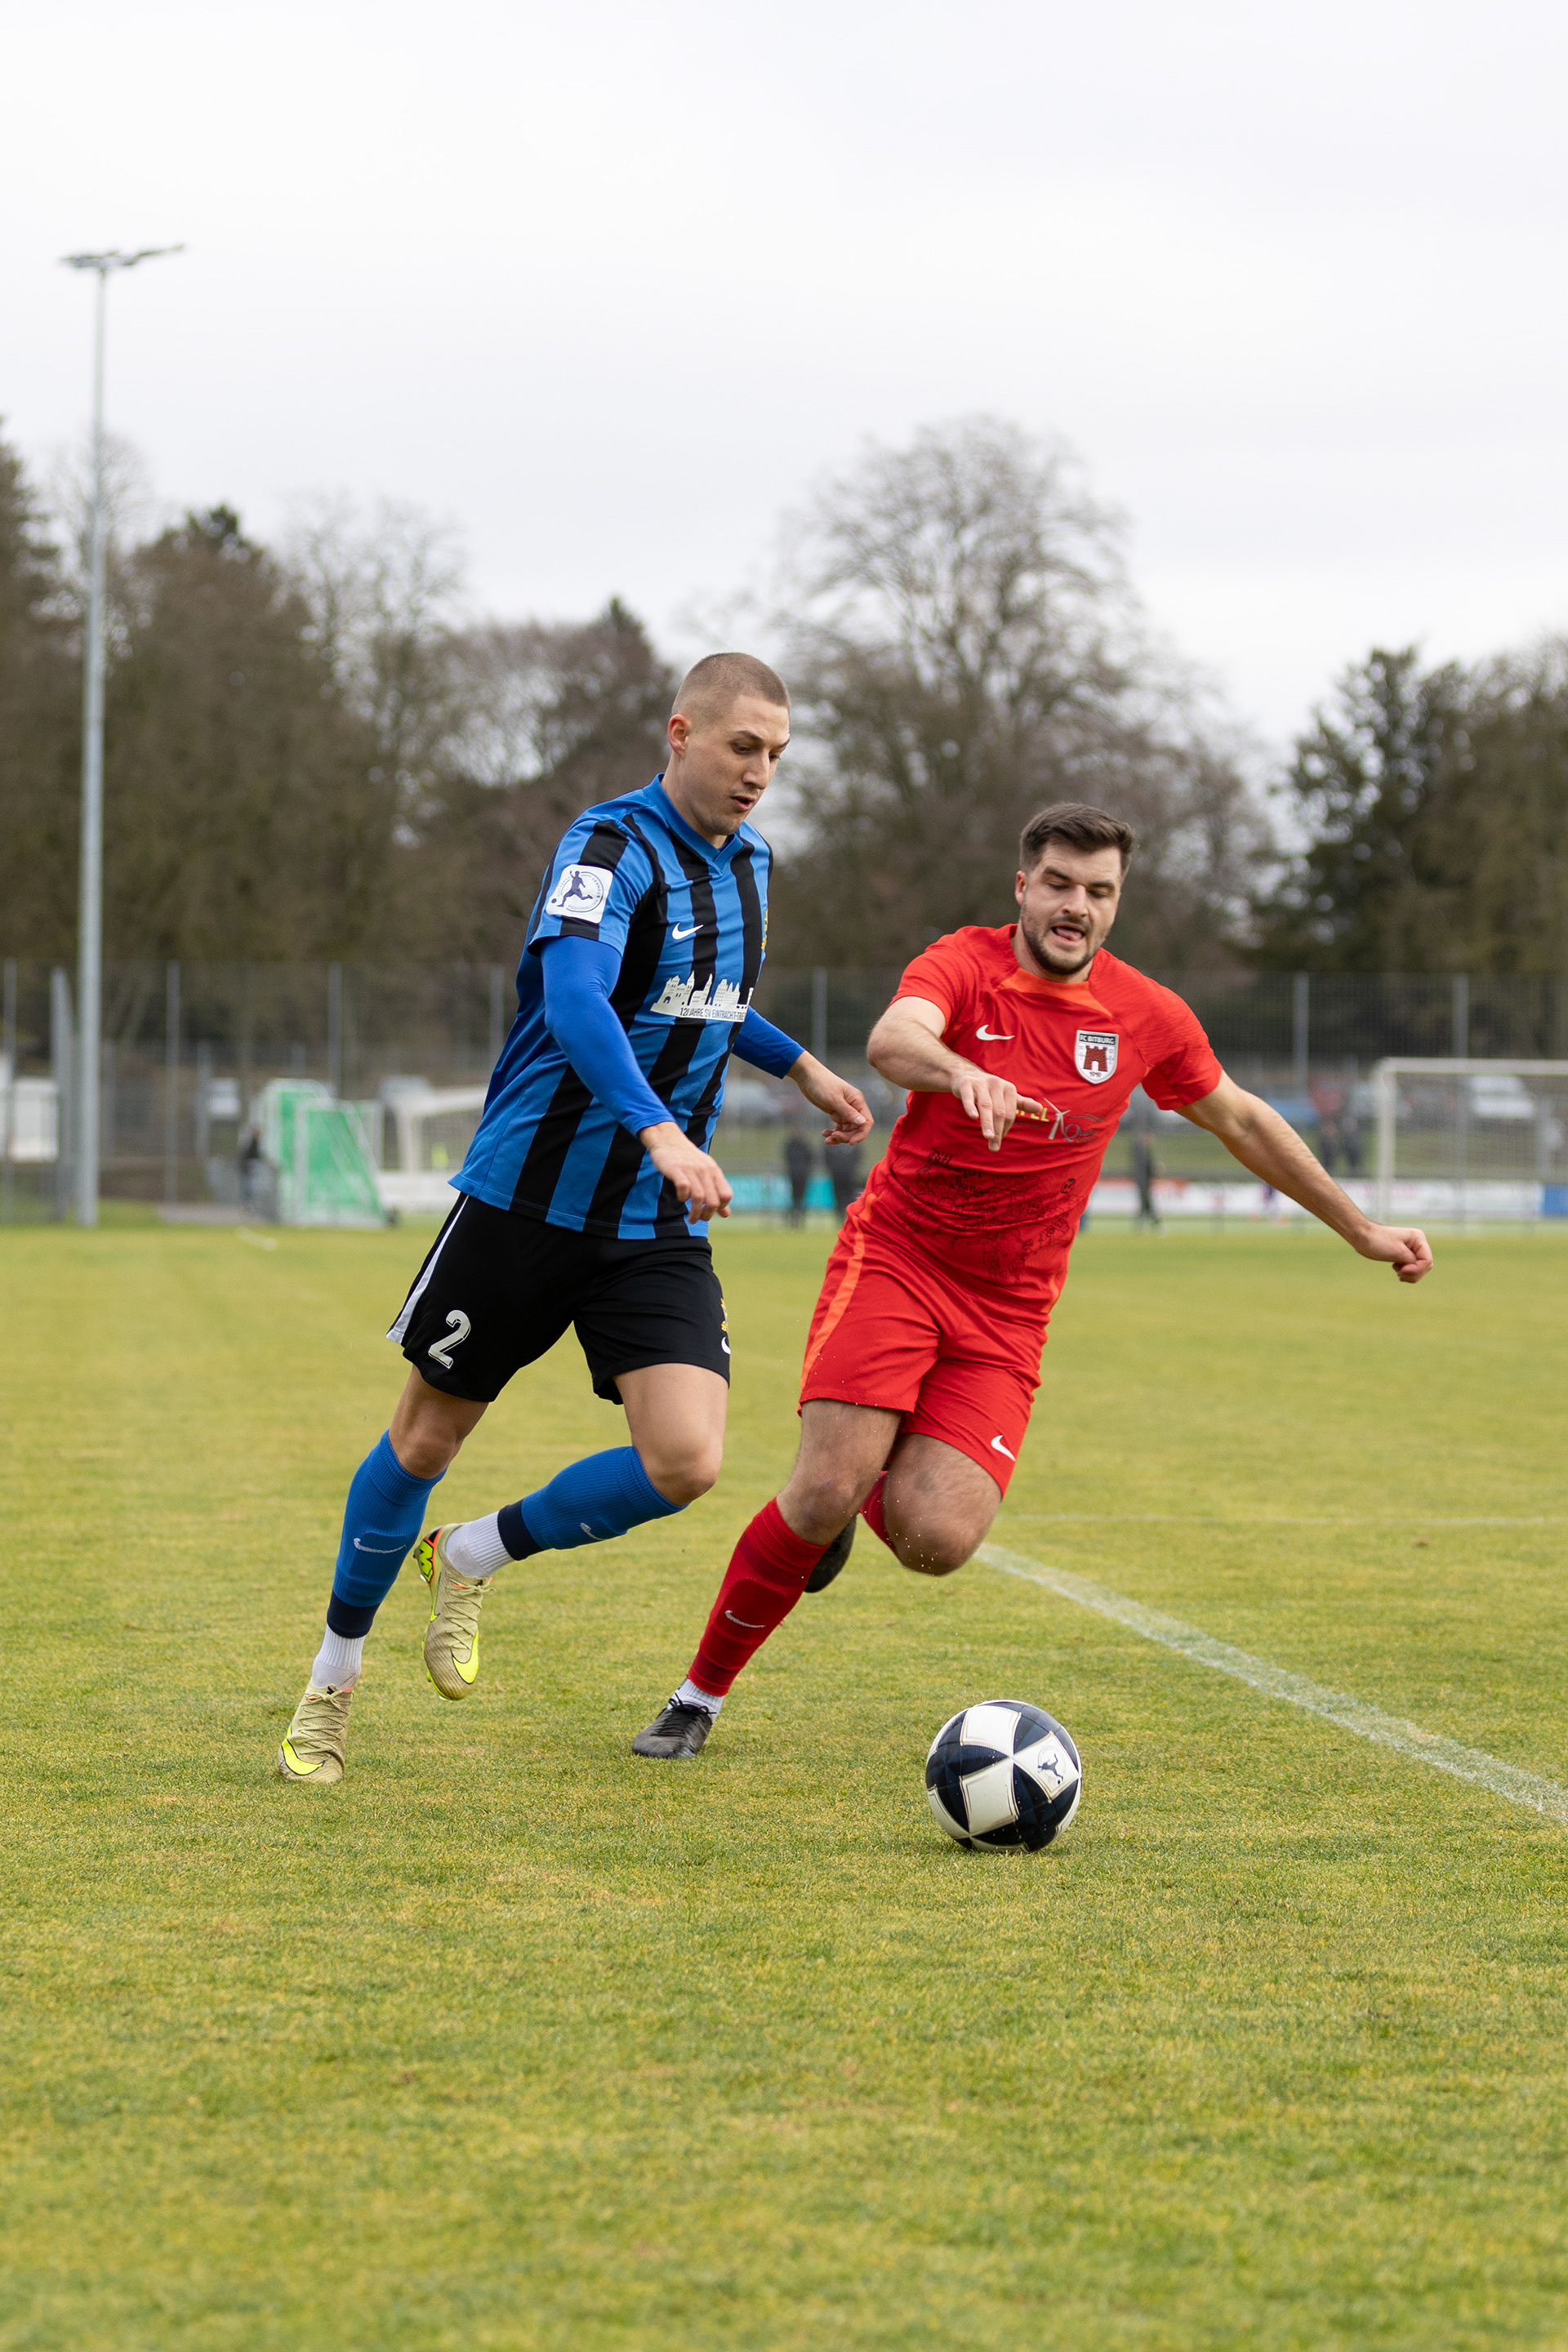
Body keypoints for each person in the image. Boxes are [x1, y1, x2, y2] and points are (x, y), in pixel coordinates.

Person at [630, 800, 1434, 1759]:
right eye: (1058, 884)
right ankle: (698, 1697)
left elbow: (1243, 1121)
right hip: (899, 1259)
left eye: (1099, 892)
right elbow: (894, 1038)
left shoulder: (1147, 1014)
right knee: (820, 1489)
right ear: (1024, 886)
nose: (1076, 908)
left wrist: (1360, 1227)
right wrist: (955, 1070)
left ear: (1116, 902)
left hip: (1010, 1306)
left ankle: (849, 1503)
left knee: (938, 1540)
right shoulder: (964, 966)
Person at [278, 653, 873, 1784]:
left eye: (778, 757)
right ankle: (332, 1679)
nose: (760, 774)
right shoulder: (607, 848)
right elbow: (579, 996)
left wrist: (800, 1068)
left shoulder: (751, 865)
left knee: (687, 1460)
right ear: (681, 731)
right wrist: (659, 1129)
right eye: (743, 747)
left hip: (650, 1222)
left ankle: (471, 1554)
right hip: (525, 1202)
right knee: (424, 1439)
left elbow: (711, 999)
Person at [782, 1125, 815, 1227]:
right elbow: (811, 1158)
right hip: (800, 1174)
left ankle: (796, 1218)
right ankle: (797, 1218)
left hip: (795, 1174)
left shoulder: (790, 1145)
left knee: (796, 1197)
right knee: (799, 1197)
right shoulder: (804, 1146)